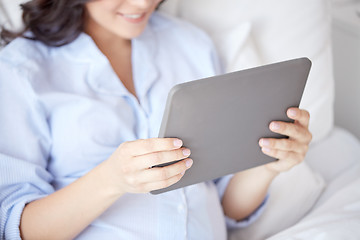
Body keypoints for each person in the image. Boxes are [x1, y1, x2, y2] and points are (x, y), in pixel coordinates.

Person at [0, 0, 312, 239]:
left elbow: (226, 206)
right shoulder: (20, 70)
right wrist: (111, 179)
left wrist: (269, 164)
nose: (142, 3)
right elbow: (18, 228)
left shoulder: (190, 44)